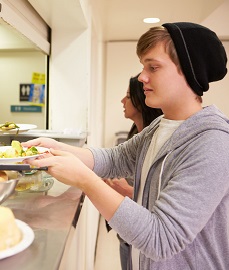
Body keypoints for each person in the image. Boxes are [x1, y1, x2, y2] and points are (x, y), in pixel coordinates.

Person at [22, 22, 228, 270]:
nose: (142, 77)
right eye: (143, 67)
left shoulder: (213, 142)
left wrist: (86, 180)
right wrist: (57, 147)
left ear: (189, 71)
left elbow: (162, 239)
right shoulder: (162, 125)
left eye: (153, 67)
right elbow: (115, 159)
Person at [104, 73, 163, 270]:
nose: (122, 101)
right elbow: (112, 160)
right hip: (127, 231)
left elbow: (158, 203)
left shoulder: (157, 141)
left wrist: (125, 191)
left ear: (141, 100)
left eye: (128, 96)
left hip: (140, 235)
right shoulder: (137, 136)